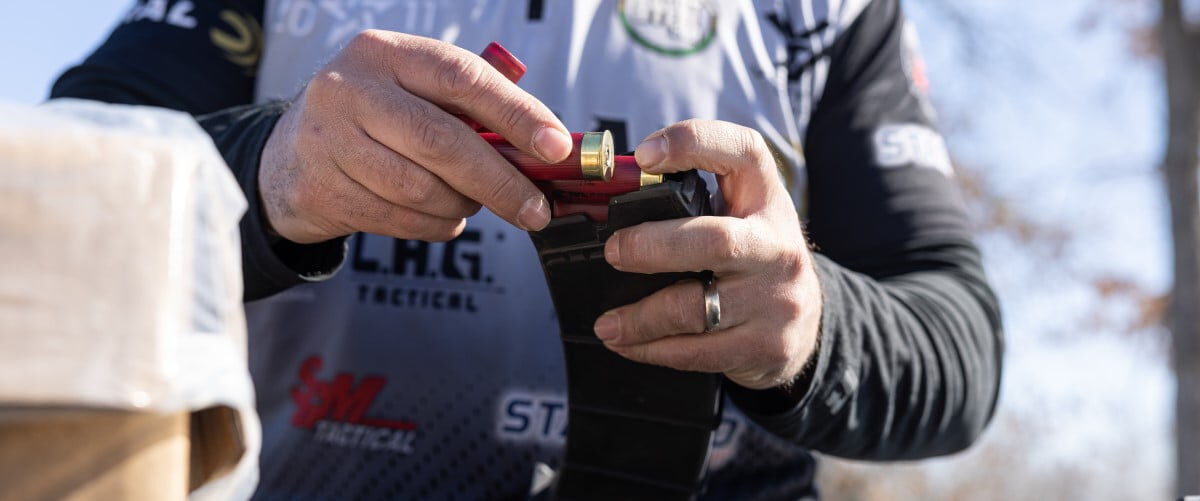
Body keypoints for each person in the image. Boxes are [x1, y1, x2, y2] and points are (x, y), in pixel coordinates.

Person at [52, 0, 1003, 498]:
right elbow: (48, 206)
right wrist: (268, 166)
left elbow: (960, 347)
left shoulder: (827, 9)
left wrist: (810, 324)